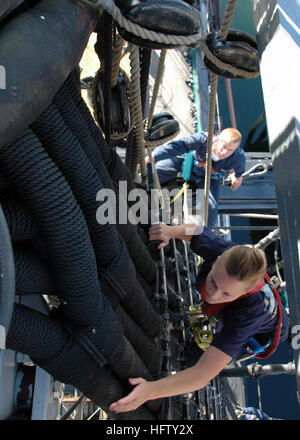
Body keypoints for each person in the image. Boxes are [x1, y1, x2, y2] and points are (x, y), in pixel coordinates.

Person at [109, 222, 289, 414]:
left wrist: (152, 390)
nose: (214, 293)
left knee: (194, 359)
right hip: (225, 308)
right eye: (213, 281)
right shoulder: (223, 251)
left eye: (226, 293)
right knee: (204, 313)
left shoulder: (246, 317)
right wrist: (170, 231)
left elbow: (202, 374)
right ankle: (211, 312)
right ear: (217, 260)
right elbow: (196, 231)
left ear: (244, 291)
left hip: (263, 328)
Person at [151, 128, 245, 227]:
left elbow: (240, 170)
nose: (224, 151)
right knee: (156, 171)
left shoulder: (238, 157)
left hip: (209, 177)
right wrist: (153, 156)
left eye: (230, 150)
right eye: (224, 145)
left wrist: (237, 176)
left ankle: (203, 234)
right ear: (218, 139)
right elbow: (177, 146)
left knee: (210, 208)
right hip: (190, 162)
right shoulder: (203, 139)